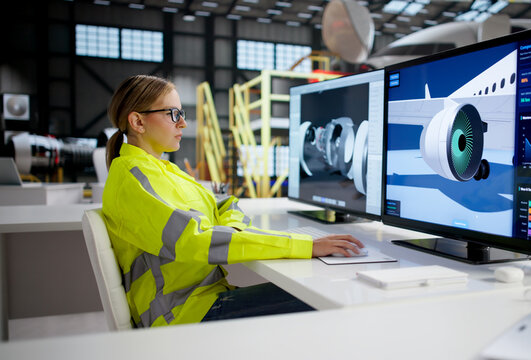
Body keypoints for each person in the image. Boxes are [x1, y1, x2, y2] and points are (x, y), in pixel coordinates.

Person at [102, 74, 364, 327]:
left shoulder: (163, 169)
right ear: (138, 122)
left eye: (182, 114)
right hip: (183, 315)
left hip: (202, 301)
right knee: (328, 299)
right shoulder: (132, 178)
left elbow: (223, 204)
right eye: (173, 114)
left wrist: (232, 231)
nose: (182, 123)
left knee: (321, 292)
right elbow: (196, 241)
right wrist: (306, 246)